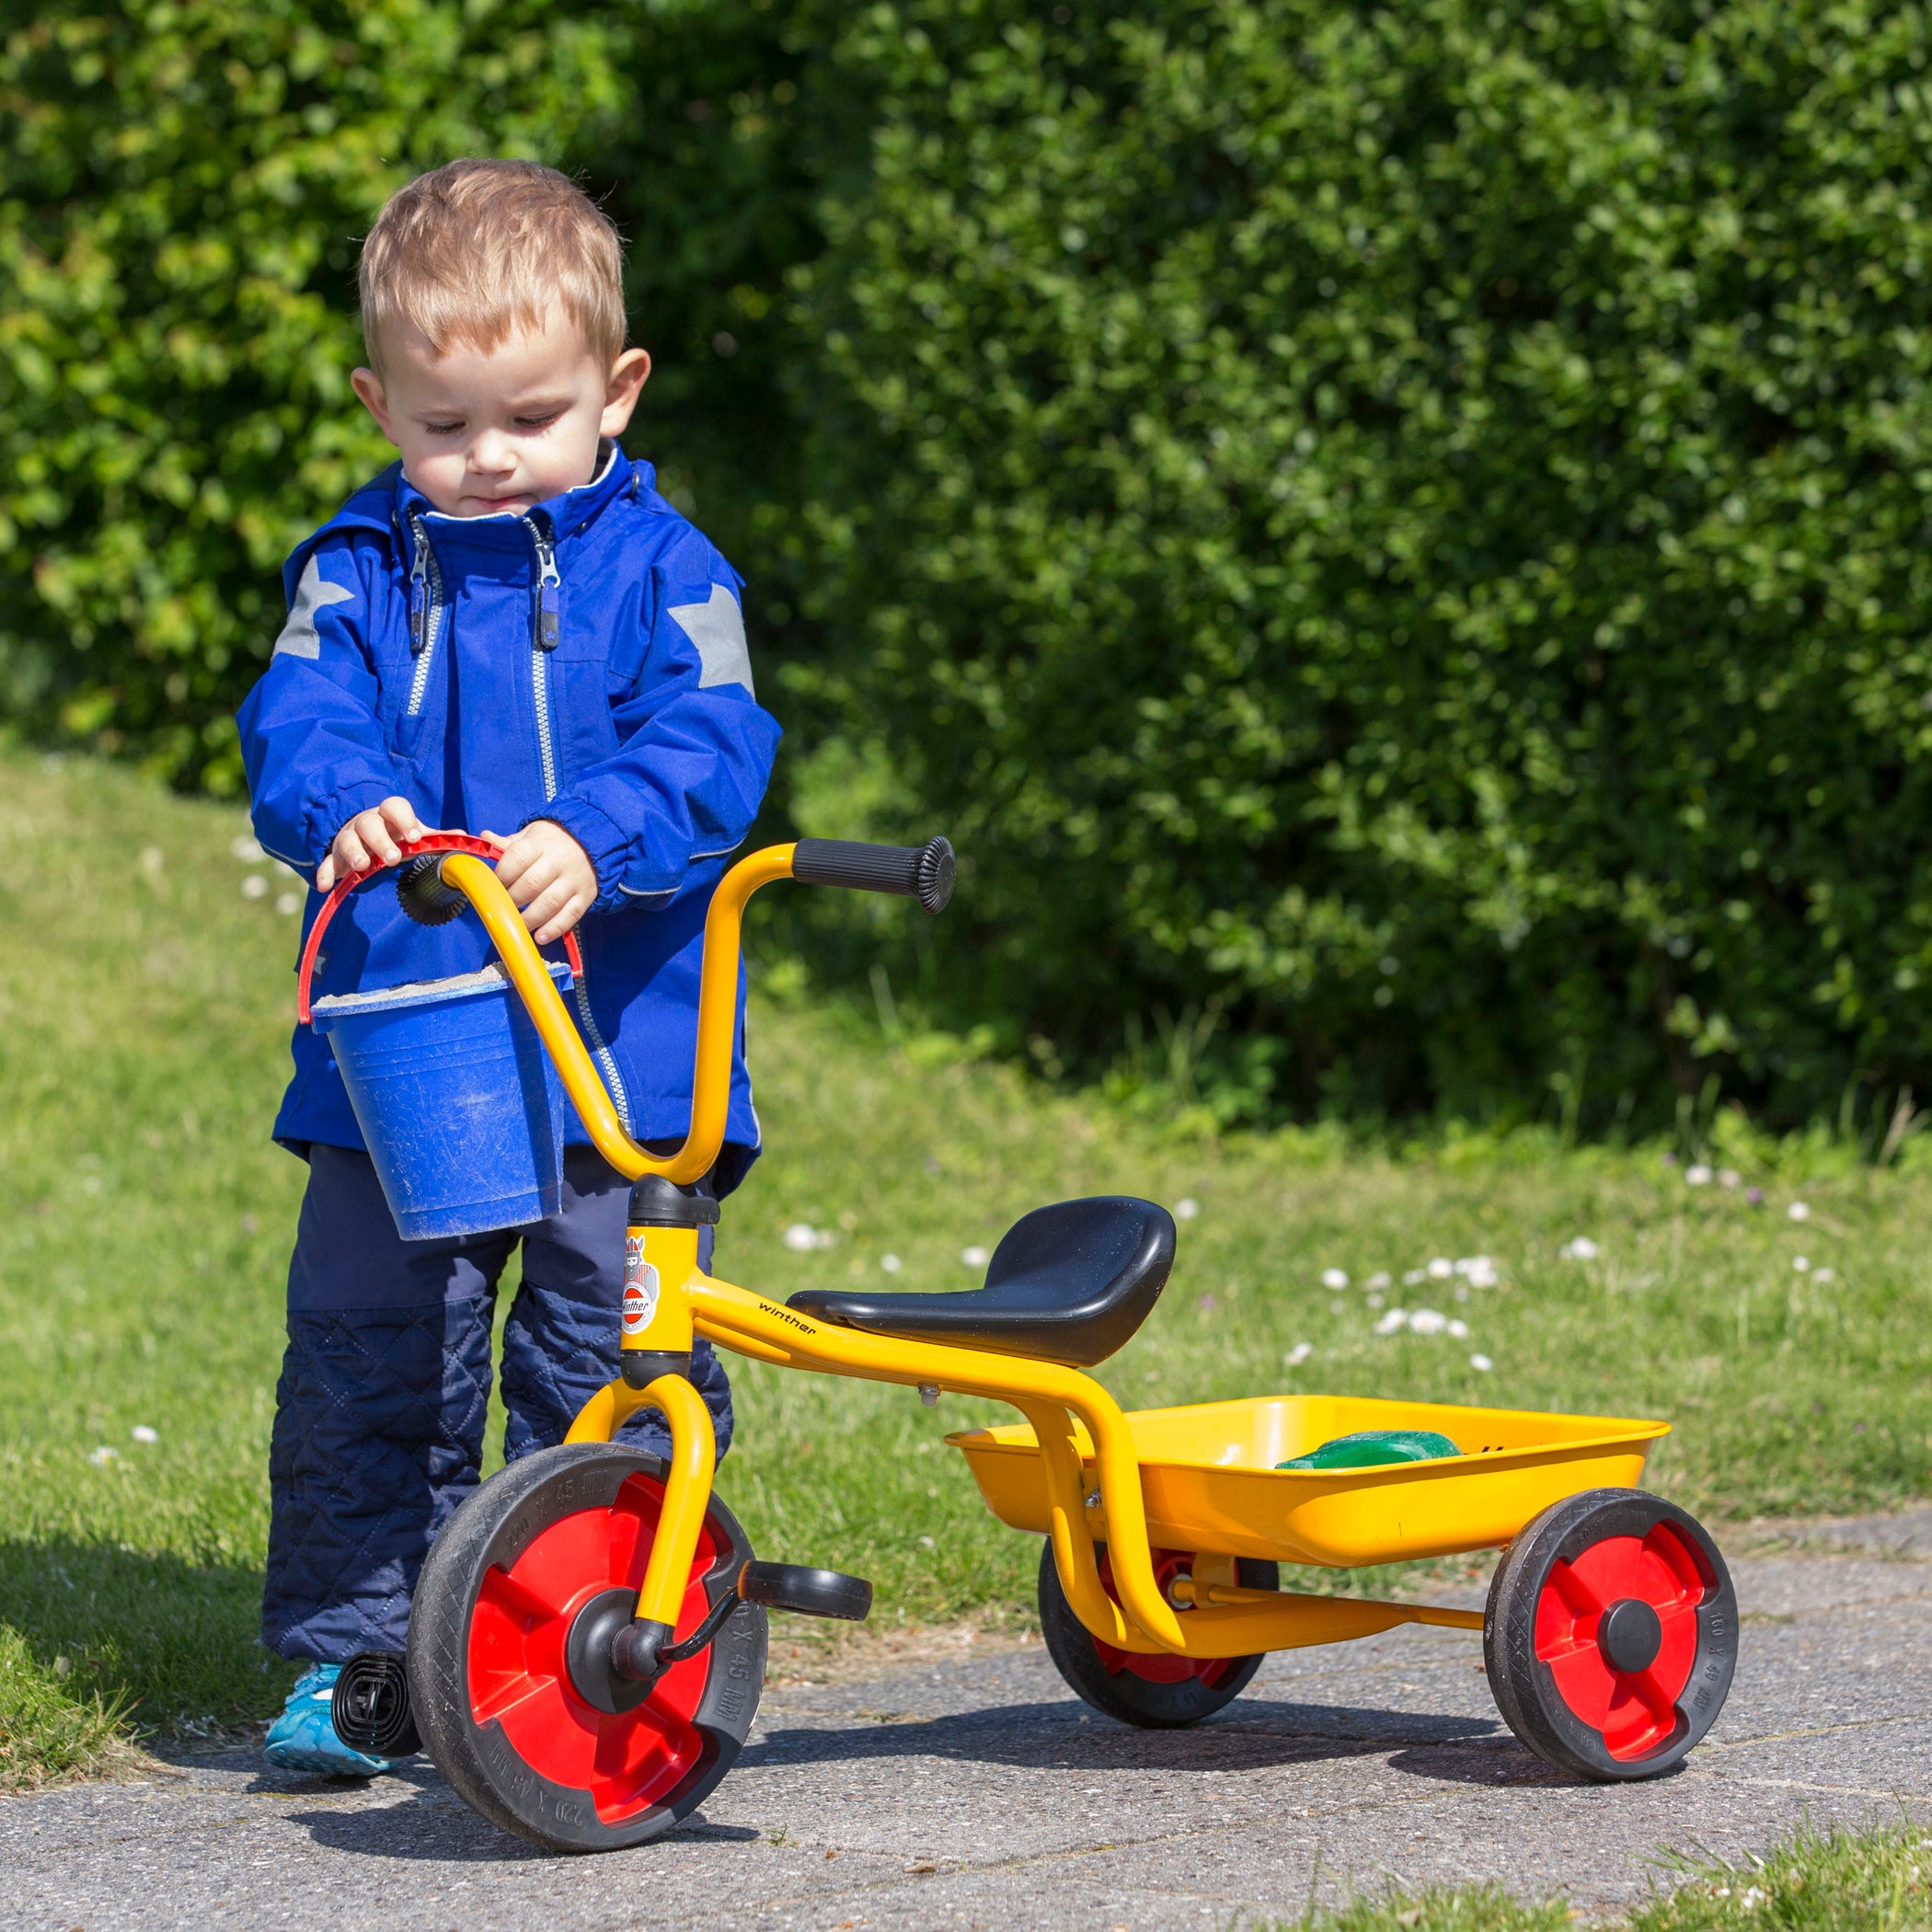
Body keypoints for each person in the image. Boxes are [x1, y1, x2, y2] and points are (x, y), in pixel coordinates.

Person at [236, 159, 779, 1776]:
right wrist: (343, 799)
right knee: (372, 1346)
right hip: (404, 1047)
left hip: (620, 1052)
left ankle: (587, 1638)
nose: (487, 457)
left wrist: (597, 835)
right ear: (378, 405)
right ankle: (358, 1660)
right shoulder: (354, 569)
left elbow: (717, 741)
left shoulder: (671, 570)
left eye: (531, 417)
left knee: (602, 1358)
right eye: (443, 423)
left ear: (618, 390)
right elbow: (295, 720)